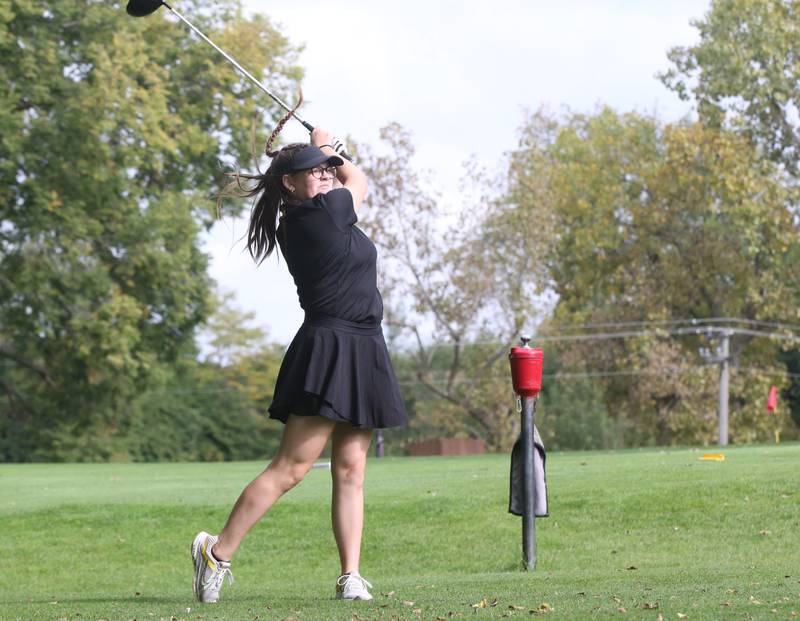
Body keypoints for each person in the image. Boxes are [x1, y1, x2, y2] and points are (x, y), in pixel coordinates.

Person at [191, 120, 408, 604]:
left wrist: (326, 152)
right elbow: (362, 181)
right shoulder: (314, 217)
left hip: (364, 343)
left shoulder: (327, 210)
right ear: (290, 183)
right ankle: (216, 552)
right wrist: (329, 146)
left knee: (351, 468)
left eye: (329, 170)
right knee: (292, 467)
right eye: (317, 171)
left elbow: (350, 181)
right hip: (330, 347)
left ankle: (350, 575)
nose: (328, 175)